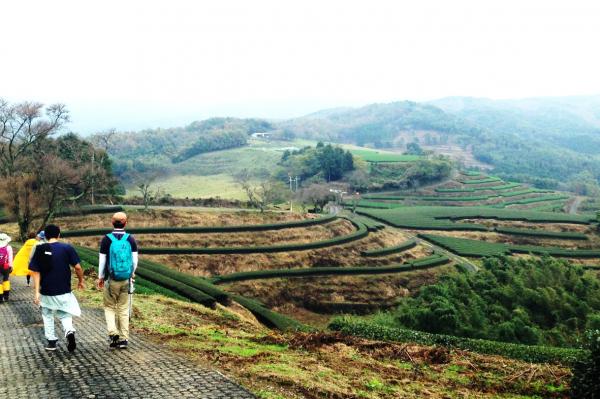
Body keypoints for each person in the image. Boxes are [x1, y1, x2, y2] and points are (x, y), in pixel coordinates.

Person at [29, 224, 84, 352]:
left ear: (45, 236)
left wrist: (36, 291)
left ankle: (51, 342)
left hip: (46, 290)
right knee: (64, 313)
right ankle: (69, 331)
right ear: (59, 235)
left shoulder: (40, 249)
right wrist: (81, 280)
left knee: (47, 314)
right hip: (64, 290)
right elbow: (78, 267)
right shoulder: (67, 248)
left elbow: (35, 272)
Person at [97, 212, 138, 349]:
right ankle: (124, 339)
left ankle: (113, 332)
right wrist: (131, 273)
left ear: (112, 222)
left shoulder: (106, 239)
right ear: (125, 223)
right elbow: (135, 260)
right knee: (123, 308)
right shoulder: (130, 239)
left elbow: (102, 260)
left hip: (111, 279)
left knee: (109, 307)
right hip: (126, 279)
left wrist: (100, 277)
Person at [0, 233, 14, 303]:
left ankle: (0, 298)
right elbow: (10, 258)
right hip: (6, 266)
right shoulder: (9, 247)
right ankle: (6, 296)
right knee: (6, 280)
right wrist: (11, 266)